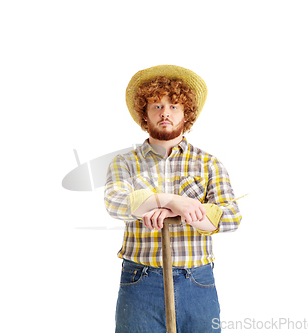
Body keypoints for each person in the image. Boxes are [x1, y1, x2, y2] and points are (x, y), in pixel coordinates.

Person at [104, 65, 242, 332]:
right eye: (156, 106)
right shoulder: (125, 163)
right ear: (145, 113)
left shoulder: (208, 163)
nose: (165, 112)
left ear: (186, 113)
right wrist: (171, 200)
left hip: (197, 281)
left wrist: (173, 212)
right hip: (140, 280)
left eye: (173, 106)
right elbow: (115, 202)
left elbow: (231, 217)